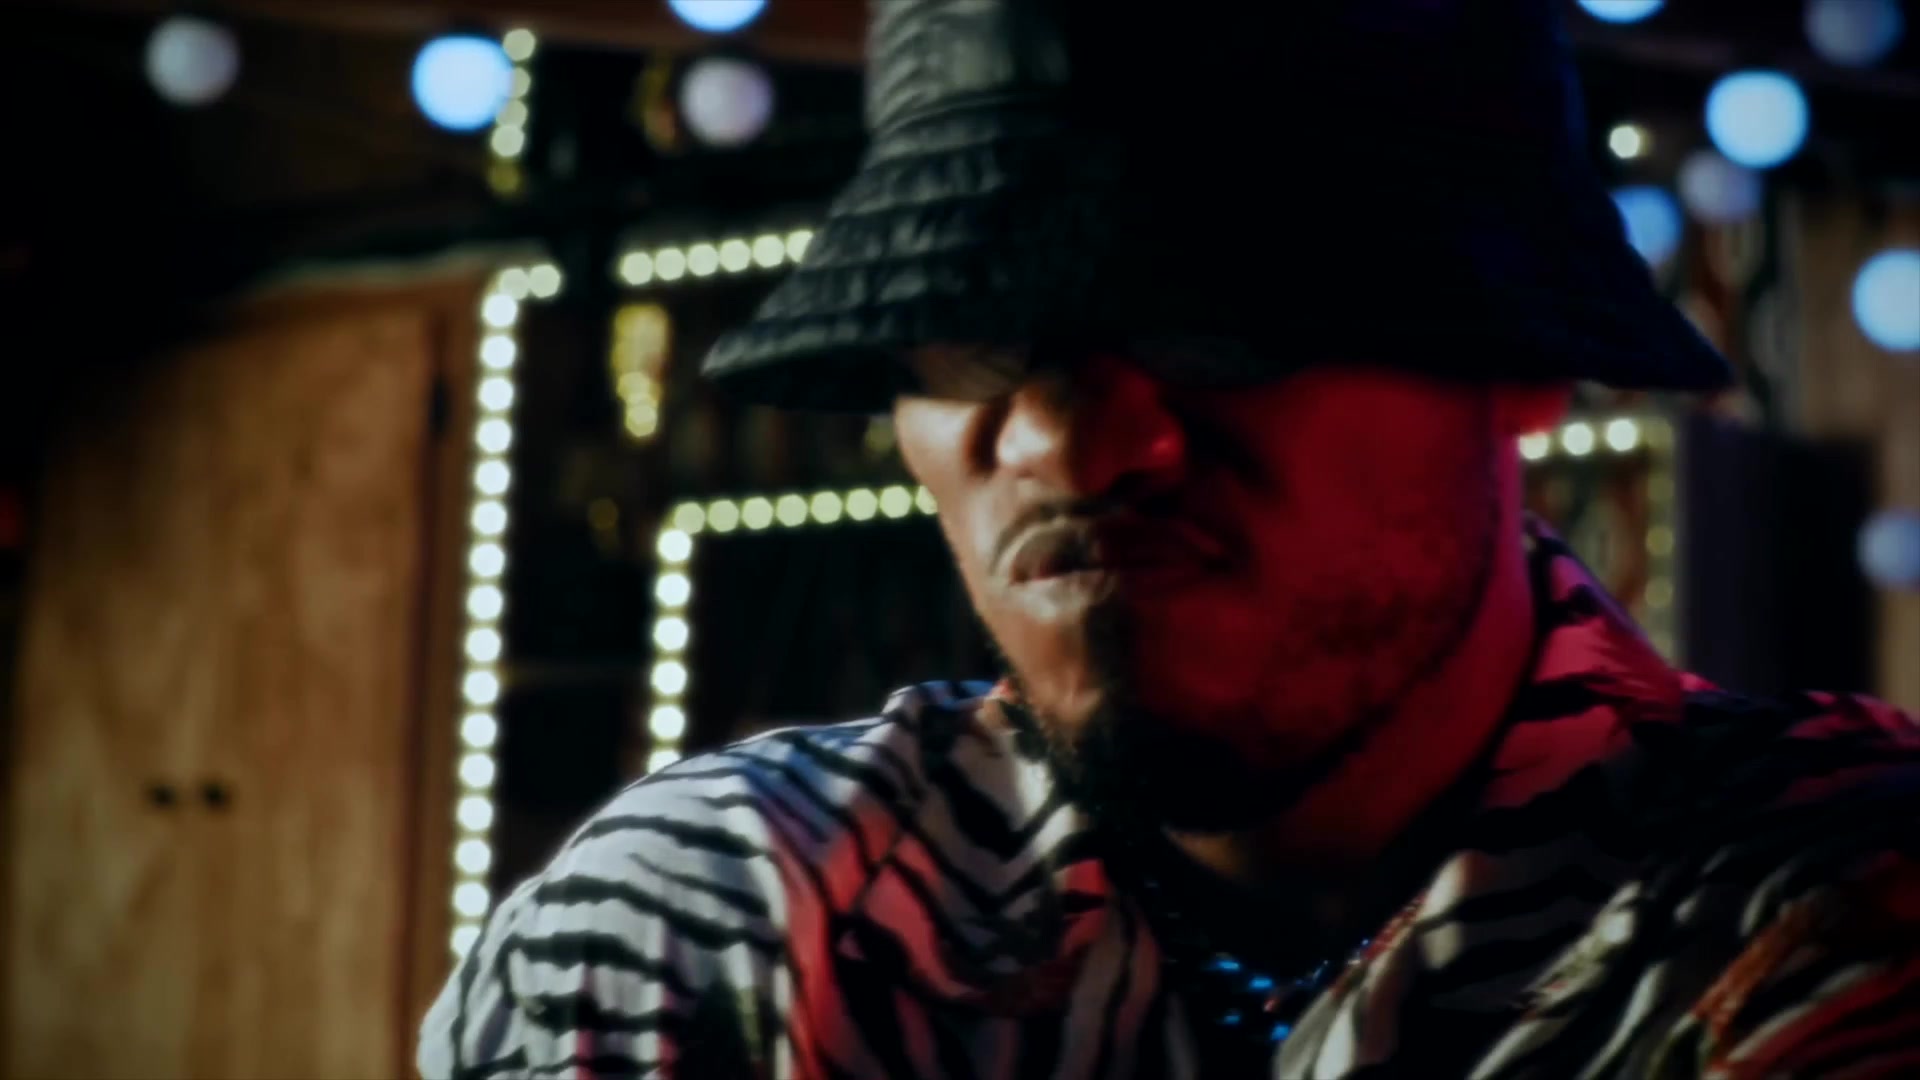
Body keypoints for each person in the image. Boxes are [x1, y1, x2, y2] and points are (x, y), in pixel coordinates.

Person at [420, 0, 1920, 1076]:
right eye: (971, 330)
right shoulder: (709, 928)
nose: (1070, 442)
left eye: (1217, 312)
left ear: (1516, 356)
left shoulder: (1844, 898)